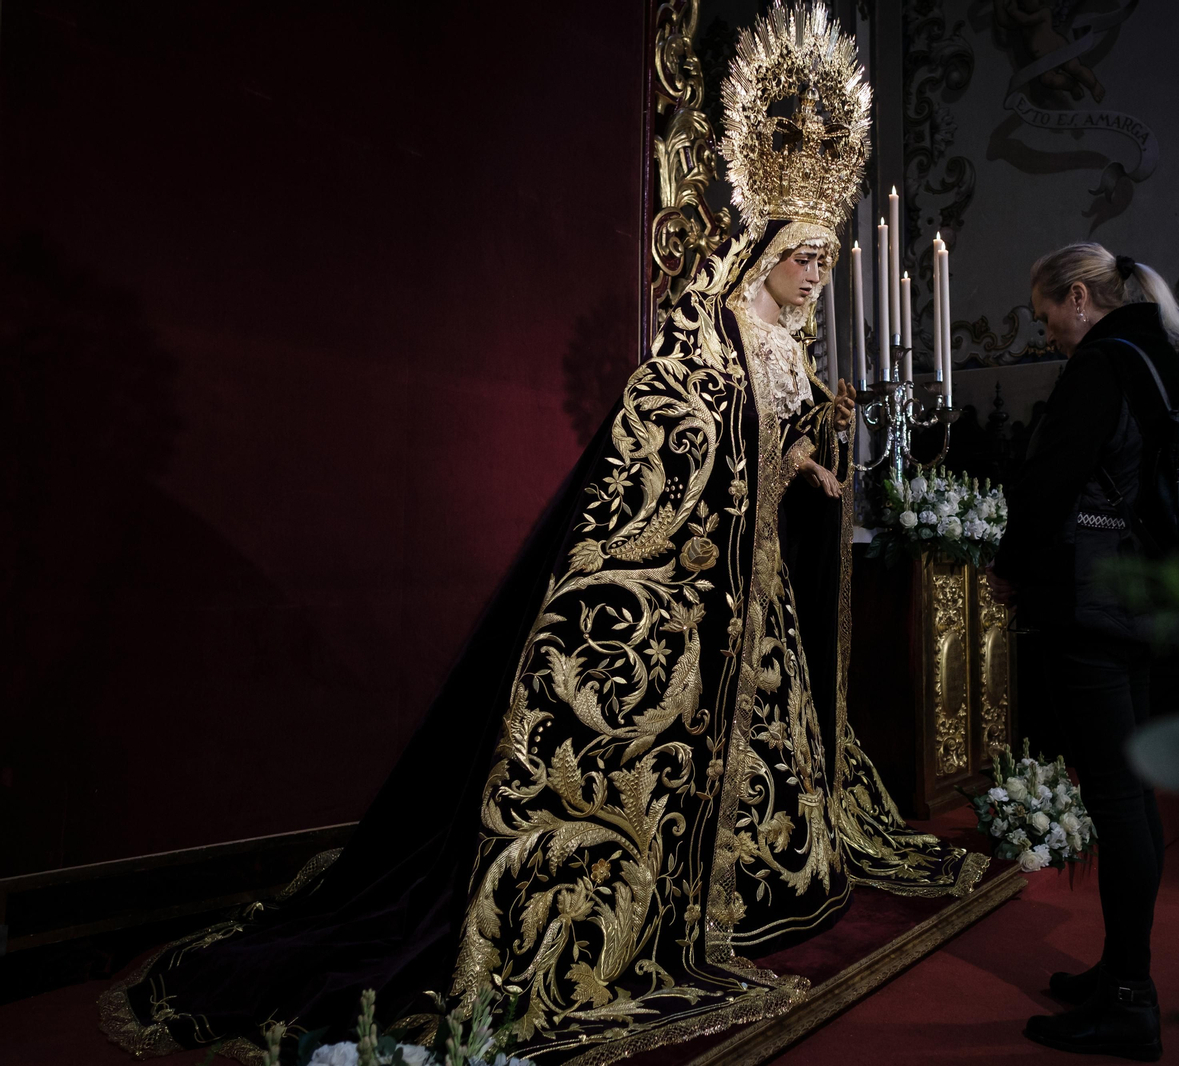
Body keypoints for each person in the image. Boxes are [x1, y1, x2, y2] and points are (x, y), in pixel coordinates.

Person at [99, 9, 985, 1064]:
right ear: (762, 250)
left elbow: (776, 458)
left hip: (762, 596)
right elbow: (678, 443)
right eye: (801, 256)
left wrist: (817, 466)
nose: (812, 275)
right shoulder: (707, 340)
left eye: (822, 259)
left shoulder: (787, 351)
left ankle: (762, 877)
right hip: (703, 577)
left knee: (774, 745)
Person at [988, 242, 1179, 1061]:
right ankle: (1119, 966)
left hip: (1094, 606)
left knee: (1115, 796)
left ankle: (1129, 998)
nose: (1045, 332)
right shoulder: (1153, 360)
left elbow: (1049, 486)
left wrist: (1011, 571)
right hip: (1142, 601)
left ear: (1079, 296)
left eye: (1046, 315)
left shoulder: (1098, 366)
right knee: (1129, 792)